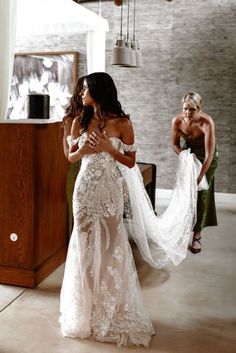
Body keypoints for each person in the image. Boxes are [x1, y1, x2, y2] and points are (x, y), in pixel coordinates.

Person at [59, 72, 155, 347]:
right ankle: (86, 311)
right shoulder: (80, 120)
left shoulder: (123, 123)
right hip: (84, 191)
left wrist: (108, 149)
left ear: (99, 91)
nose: (80, 94)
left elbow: (130, 163)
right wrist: (84, 152)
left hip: (110, 191)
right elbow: (70, 157)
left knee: (112, 245)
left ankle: (110, 309)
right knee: (85, 244)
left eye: (85, 90)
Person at [172, 92, 218, 254]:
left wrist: (200, 177)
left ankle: (197, 235)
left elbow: (210, 154)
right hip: (189, 156)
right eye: (185, 109)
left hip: (207, 159)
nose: (187, 113)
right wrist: (186, 158)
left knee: (201, 195)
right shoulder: (177, 121)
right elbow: (175, 145)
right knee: (185, 194)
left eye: (191, 110)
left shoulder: (206, 123)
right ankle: (182, 230)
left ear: (199, 108)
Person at [61, 76, 84, 237]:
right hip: (77, 170)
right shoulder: (71, 119)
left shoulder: (101, 117)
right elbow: (68, 153)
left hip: (100, 172)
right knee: (77, 217)